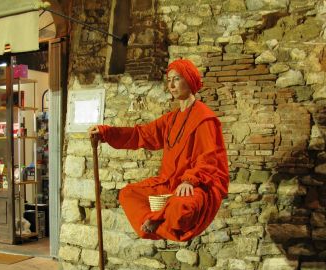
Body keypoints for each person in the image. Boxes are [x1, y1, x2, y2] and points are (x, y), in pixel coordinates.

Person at [88, 58, 229, 242]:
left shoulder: (205, 118)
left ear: (189, 80)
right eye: (169, 80)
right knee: (128, 193)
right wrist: (106, 133)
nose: (171, 84)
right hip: (169, 182)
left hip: (197, 184)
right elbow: (141, 134)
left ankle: (158, 219)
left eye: (176, 79)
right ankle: (156, 220)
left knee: (182, 207)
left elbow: (209, 158)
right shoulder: (170, 119)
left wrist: (190, 181)